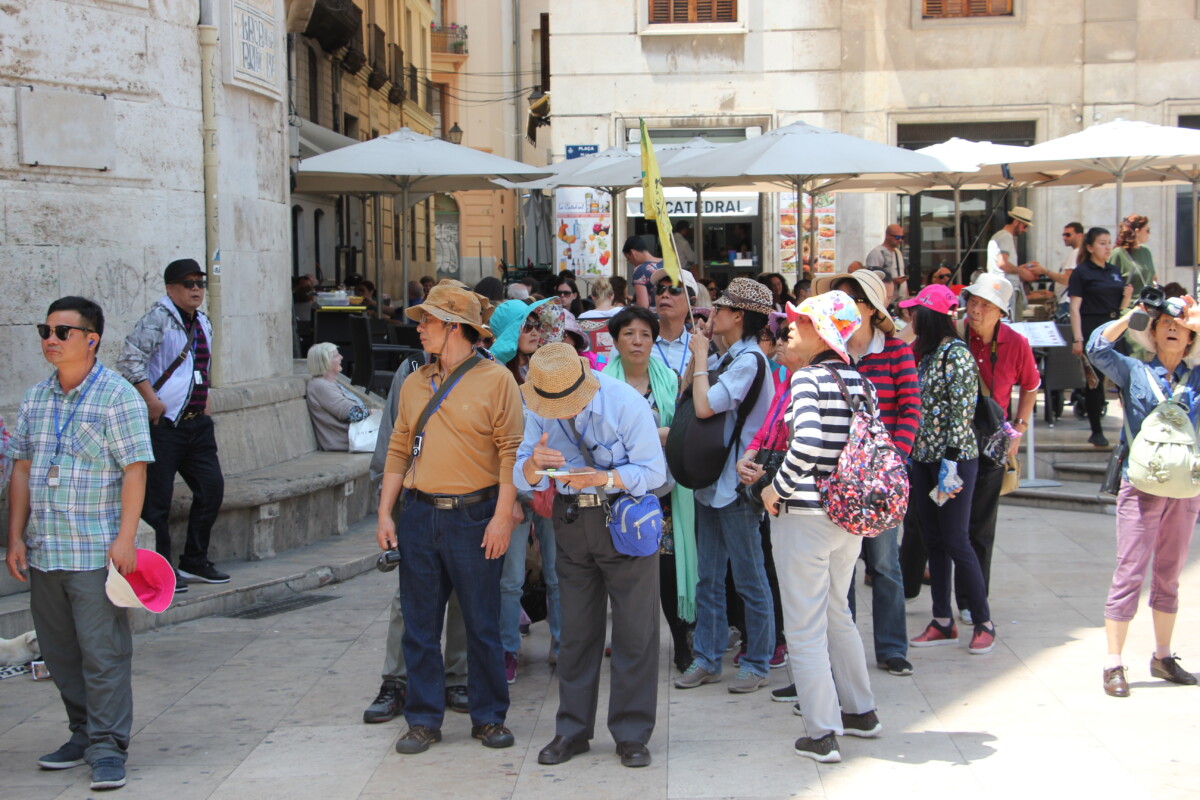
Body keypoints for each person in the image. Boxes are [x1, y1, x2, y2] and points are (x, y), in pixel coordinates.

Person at [6, 296, 155, 791]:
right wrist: (14, 537)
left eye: (62, 332)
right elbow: (21, 470)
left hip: (95, 550)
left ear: (91, 339)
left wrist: (126, 539)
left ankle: (109, 745)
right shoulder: (35, 398)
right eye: (45, 331)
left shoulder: (117, 397)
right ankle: (82, 732)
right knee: (59, 650)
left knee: (103, 651)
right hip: (46, 549)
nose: (50, 339)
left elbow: (135, 471)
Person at [376, 280, 523, 755]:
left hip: (475, 515)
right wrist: (385, 512)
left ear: (456, 327)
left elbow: (510, 453)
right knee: (419, 624)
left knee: (481, 622)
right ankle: (422, 719)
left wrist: (503, 516)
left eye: (430, 321)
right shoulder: (416, 382)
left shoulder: (497, 379)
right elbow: (399, 448)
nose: (420, 329)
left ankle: (488, 717)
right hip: (419, 514)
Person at [515, 343, 667, 769]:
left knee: (635, 632)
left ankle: (632, 733)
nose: (559, 409)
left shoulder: (624, 403)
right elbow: (519, 469)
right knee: (578, 633)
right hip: (570, 523)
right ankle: (572, 730)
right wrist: (533, 466)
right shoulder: (539, 406)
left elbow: (654, 471)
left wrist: (604, 478)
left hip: (621, 519)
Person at [758, 291, 882, 763]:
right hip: (848, 515)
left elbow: (806, 445)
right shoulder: (859, 381)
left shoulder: (808, 379)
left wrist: (776, 489)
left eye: (800, 321)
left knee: (805, 627)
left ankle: (823, 732)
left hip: (806, 517)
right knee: (837, 612)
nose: (790, 328)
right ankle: (861, 711)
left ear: (822, 331)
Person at [1087, 296, 1200, 697]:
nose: (1171, 327)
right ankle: (1113, 662)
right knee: (1129, 571)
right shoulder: (1134, 371)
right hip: (1141, 487)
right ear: (1152, 333)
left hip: (1185, 489)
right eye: (1164, 323)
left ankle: (1163, 656)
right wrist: (1131, 315)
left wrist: (1195, 320)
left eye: (1179, 324)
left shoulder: (1196, 376)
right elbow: (1096, 348)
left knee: (1169, 574)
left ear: (1189, 337)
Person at [363, 337, 473, 726]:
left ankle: (458, 677)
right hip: (415, 500)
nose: (424, 329)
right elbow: (391, 440)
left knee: (462, 591)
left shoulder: (484, 371)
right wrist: (386, 506)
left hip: (467, 501)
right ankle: (396, 680)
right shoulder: (409, 372)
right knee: (407, 597)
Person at [815, 269, 920, 676]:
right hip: (836, 479)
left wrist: (893, 462)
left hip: (880, 480)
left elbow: (911, 408)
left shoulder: (895, 351)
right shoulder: (828, 353)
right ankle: (847, 648)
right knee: (840, 570)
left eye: (848, 302)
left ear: (868, 308)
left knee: (884, 564)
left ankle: (893, 646)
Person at [674, 278, 776, 694]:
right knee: (708, 578)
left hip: (735, 484)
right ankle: (707, 657)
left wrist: (701, 357)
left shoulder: (749, 361)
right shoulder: (726, 356)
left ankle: (757, 661)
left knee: (749, 578)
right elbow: (687, 393)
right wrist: (699, 356)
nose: (710, 314)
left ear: (739, 316)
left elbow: (703, 405)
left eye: (720, 308)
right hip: (711, 481)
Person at [117, 259, 227, 591]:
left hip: (197, 424)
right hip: (163, 426)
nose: (196, 289)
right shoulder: (157, 320)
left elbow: (200, 364)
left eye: (200, 283)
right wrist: (151, 399)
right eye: (188, 283)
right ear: (171, 289)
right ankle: (162, 569)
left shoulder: (203, 321)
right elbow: (128, 360)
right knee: (157, 501)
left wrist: (203, 396)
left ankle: (194, 559)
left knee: (211, 489)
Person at [900, 284, 997, 656]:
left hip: (952, 462)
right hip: (922, 461)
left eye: (915, 312)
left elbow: (961, 414)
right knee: (933, 539)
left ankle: (983, 620)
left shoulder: (955, 355)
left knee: (957, 539)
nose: (910, 317)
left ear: (930, 315)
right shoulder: (922, 353)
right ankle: (942, 620)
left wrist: (950, 468)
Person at [603, 306, 697, 674]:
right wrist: (653, 437)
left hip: (663, 495)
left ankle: (681, 645)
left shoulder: (670, 382)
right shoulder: (601, 384)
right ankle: (633, 653)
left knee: (668, 571)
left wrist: (653, 437)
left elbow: (684, 433)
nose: (637, 341)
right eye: (628, 334)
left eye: (644, 334)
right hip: (616, 495)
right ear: (615, 341)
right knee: (624, 576)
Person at [488, 297, 564, 683]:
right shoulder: (490, 373)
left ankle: (562, 646)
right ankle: (506, 650)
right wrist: (508, 499)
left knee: (557, 571)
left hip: (550, 482)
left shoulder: (545, 367)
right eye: (525, 326)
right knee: (511, 577)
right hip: (512, 486)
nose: (535, 333)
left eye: (538, 325)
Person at [958, 274, 1040, 621]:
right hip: (952, 441)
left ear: (1000, 313)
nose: (975, 310)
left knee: (980, 527)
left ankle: (973, 599)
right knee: (941, 524)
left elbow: (1032, 386)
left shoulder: (1015, 343)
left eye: (984, 305)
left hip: (991, 444)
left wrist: (1019, 427)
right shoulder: (955, 333)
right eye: (972, 302)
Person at [1069, 227, 1132, 447]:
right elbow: (1074, 308)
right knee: (1094, 382)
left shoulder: (1114, 271)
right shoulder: (1082, 272)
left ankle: (1131, 426)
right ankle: (1096, 430)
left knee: (1128, 377)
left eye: (1109, 243)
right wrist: (1078, 338)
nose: (1107, 247)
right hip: (1091, 326)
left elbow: (1119, 307)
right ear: (1090, 247)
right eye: (1102, 243)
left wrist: (1127, 298)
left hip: (1114, 326)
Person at [304, 343, 369, 452]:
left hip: (358, 436)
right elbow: (354, 414)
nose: (341, 357)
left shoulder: (330, 382)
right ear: (325, 362)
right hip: (345, 441)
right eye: (336, 356)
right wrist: (372, 412)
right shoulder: (320, 386)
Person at [986, 206, 1043, 319]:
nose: (1025, 230)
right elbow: (1002, 263)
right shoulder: (1005, 236)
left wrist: (1021, 268)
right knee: (1010, 323)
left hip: (1000, 288)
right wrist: (1022, 271)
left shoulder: (999, 236)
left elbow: (1002, 264)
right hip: (1005, 290)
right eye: (1024, 225)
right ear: (1016, 222)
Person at [1110, 214, 1156, 304]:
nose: (1149, 234)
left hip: (1148, 306)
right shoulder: (1118, 253)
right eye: (1147, 230)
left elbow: (1152, 278)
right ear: (1137, 231)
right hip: (1128, 308)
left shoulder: (1146, 251)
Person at [1045, 222, 1083, 320]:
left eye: (1068, 235)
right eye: (1063, 235)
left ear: (1080, 235)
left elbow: (1067, 280)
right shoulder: (1079, 253)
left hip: (1067, 302)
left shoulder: (1076, 253)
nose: (1064, 238)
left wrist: (1044, 271)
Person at [864, 224, 908, 297]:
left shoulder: (898, 252)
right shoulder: (876, 253)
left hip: (900, 298)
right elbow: (872, 278)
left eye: (902, 237)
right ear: (887, 236)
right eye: (897, 237)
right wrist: (892, 281)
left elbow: (902, 273)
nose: (900, 240)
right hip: (885, 297)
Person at [623, 235, 662, 309]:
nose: (629, 262)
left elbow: (643, 306)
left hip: (653, 318)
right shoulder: (668, 263)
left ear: (633, 253)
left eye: (628, 258)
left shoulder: (640, 270)